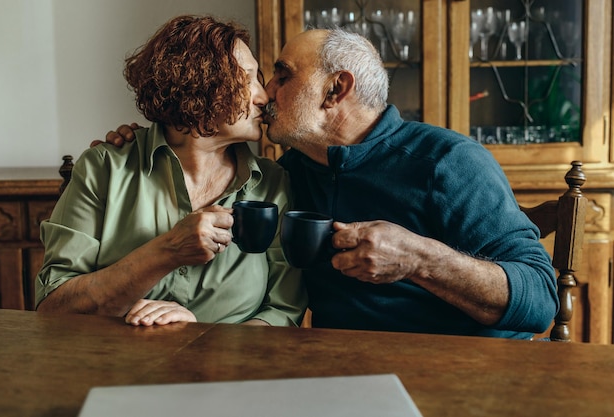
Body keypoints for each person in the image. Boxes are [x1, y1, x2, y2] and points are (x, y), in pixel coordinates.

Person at [104, 28, 558, 339]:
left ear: (335, 90)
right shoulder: (290, 173)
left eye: (282, 75)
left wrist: (421, 258)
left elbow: (540, 300)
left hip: (467, 373)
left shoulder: (449, 162)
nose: (265, 92)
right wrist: (147, 137)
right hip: (342, 369)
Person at [35, 15, 306, 327]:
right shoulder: (104, 169)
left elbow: (284, 313)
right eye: (249, 78)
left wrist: (201, 340)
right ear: (200, 84)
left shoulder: (274, 184)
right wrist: (167, 251)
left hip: (232, 371)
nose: (264, 96)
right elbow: (53, 309)